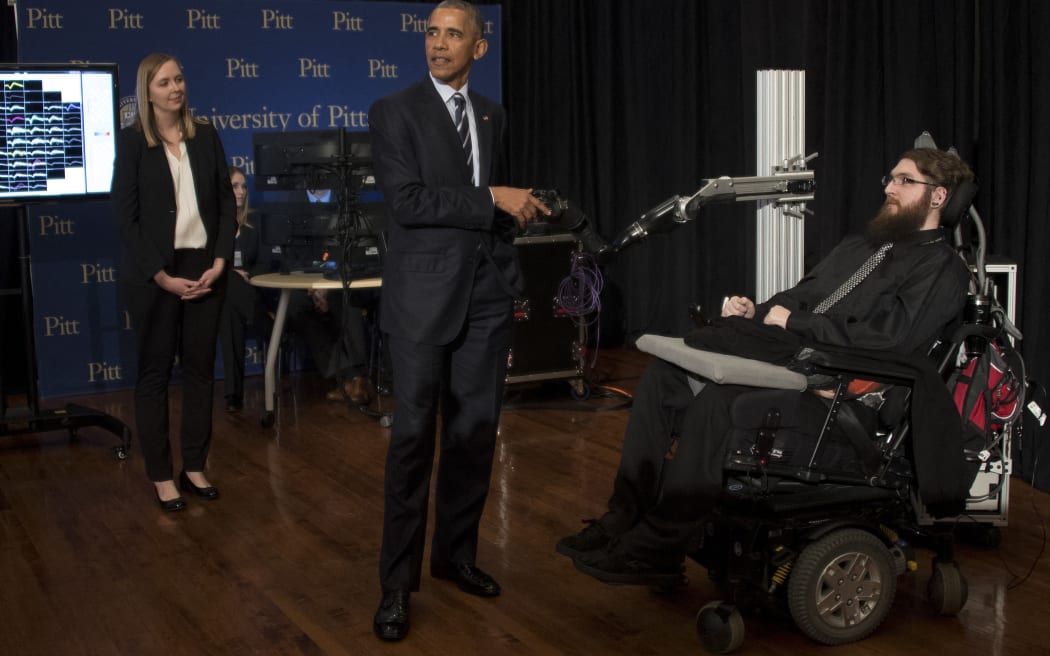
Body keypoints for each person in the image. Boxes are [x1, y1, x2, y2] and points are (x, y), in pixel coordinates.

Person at [556, 148, 975, 585]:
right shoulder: (862, 244)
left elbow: (890, 340)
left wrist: (795, 323)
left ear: (938, 196)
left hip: (841, 397)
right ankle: (624, 516)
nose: (889, 187)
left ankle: (658, 548)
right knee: (664, 377)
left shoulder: (943, 268)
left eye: (904, 180)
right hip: (794, 363)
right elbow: (800, 295)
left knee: (719, 401)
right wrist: (757, 311)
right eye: (889, 178)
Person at [367, 0, 550, 642]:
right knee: (413, 442)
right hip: (422, 303)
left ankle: (455, 557)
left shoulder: (493, 114)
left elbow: (479, 206)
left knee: (475, 435)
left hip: (487, 297)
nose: (438, 44)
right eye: (431, 33)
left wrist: (516, 210)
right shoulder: (393, 112)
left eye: (453, 35)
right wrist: (492, 198)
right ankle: (396, 585)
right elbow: (411, 203)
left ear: (479, 47)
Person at [111, 53, 236, 511]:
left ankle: (195, 466)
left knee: (202, 374)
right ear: (148, 92)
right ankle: (162, 475)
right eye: (165, 82)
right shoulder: (132, 143)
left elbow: (225, 204)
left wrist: (221, 261)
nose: (175, 88)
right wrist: (161, 276)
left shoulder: (206, 137)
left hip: (205, 269)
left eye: (179, 79)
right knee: (154, 376)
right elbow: (127, 220)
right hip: (155, 276)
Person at [218, 166, 272, 412]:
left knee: (230, 308)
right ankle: (267, 327)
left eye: (243, 186)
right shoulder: (214, 226)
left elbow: (265, 262)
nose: (240, 192)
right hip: (224, 290)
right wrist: (230, 274)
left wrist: (246, 276)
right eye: (234, 186)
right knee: (229, 293)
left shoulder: (255, 223)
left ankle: (233, 394)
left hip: (251, 290)